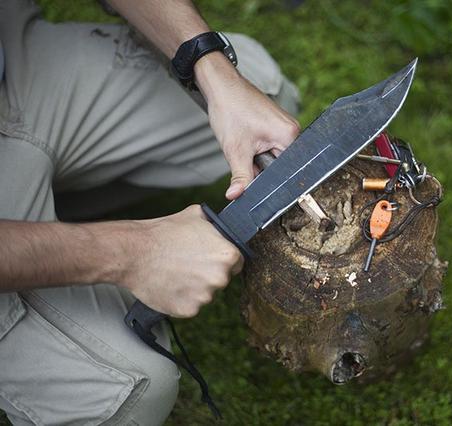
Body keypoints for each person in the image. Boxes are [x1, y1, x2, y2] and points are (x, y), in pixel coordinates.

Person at [0, 0, 301, 424]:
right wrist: (132, 251)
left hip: (13, 67)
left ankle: (50, 211)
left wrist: (207, 64)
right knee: (132, 391)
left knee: (265, 94)